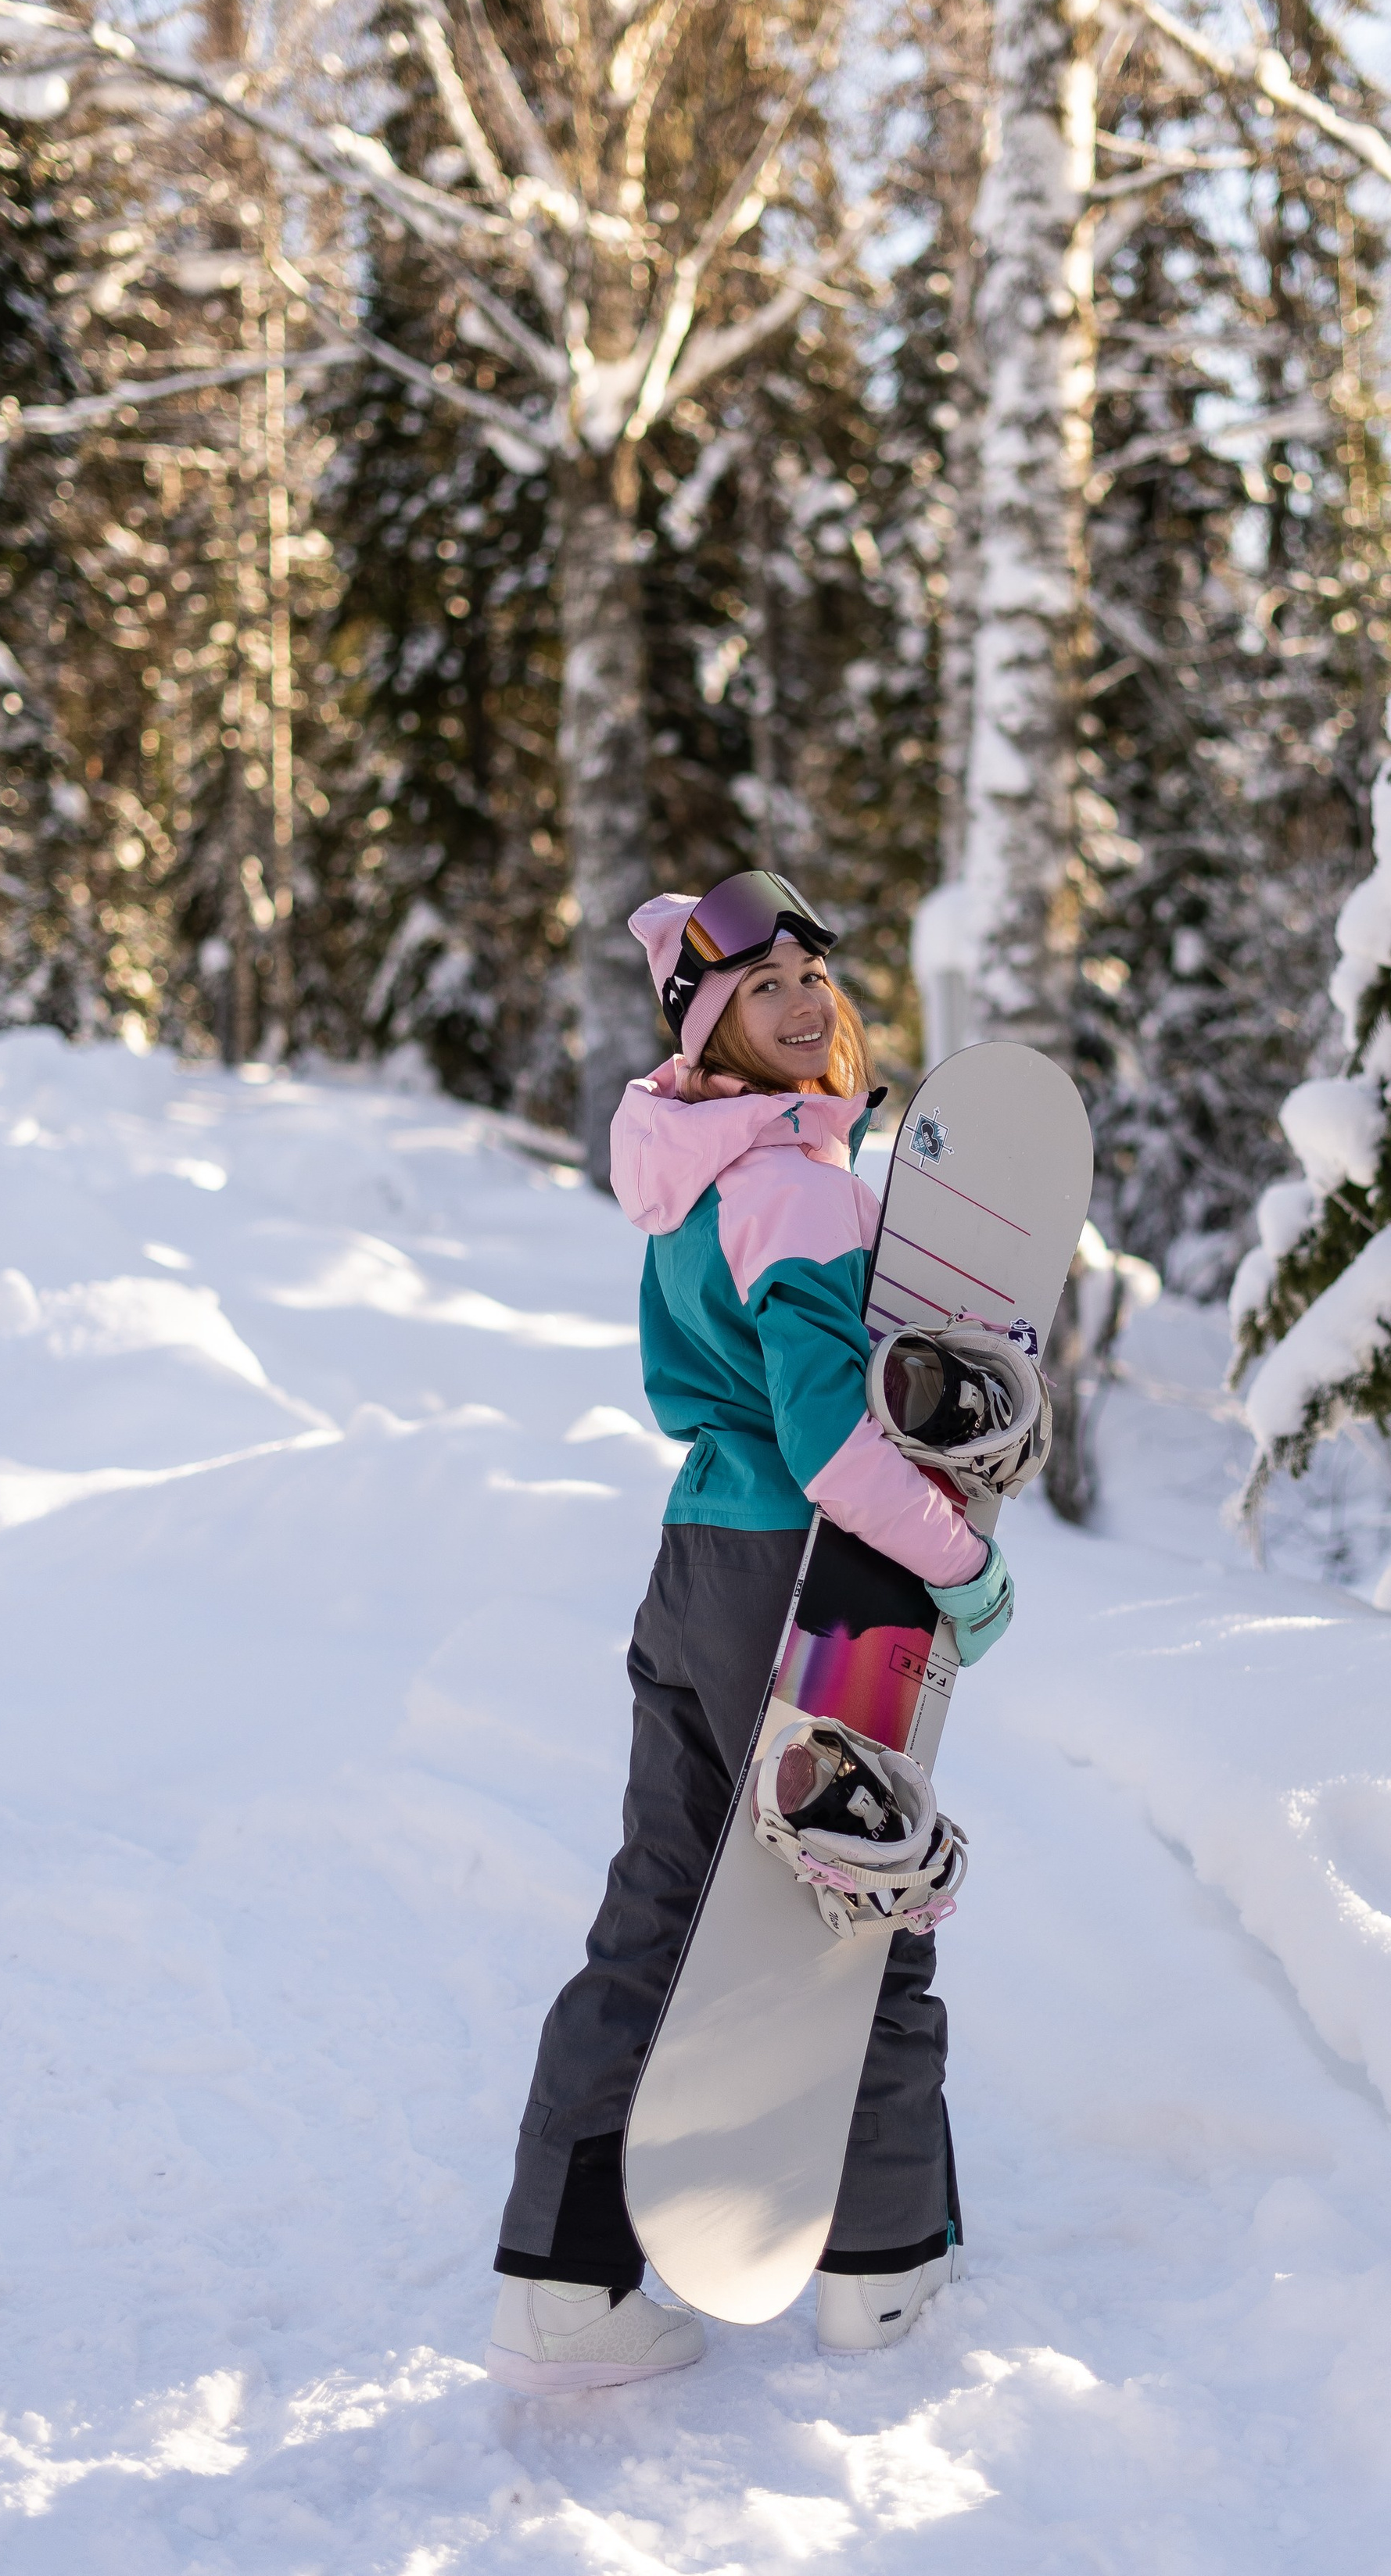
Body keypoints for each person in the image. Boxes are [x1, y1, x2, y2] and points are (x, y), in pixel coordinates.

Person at [485, 872, 1014, 2395]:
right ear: (707, 1029)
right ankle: (881, 2268)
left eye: (808, 978)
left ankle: (560, 2281)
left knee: (662, 1900)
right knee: (863, 1887)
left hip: (702, 1560)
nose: (798, 999)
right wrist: (958, 1560)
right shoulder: (791, 1186)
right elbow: (830, 1441)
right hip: (810, 1577)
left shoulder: (693, 1175)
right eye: (757, 986)